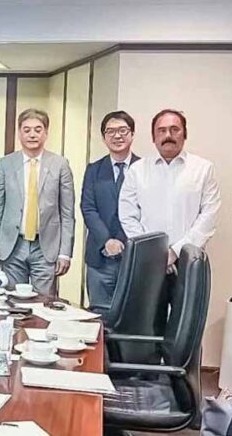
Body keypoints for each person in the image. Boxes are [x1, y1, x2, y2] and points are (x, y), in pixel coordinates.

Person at [119, 109, 220, 331]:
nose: (168, 135)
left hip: (189, 262)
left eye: (175, 129)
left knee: (186, 330)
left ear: (185, 134)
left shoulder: (203, 169)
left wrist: (174, 252)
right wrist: (154, 253)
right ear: (153, 136)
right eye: (162, 130)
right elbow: (127, 215)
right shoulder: (137, 170)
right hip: (148, 264)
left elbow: (208, 216)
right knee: (148, 329)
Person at [0, 108, 75, 295]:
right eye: (26, 130)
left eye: (38, 129)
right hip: (12, 247)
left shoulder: (60, 164)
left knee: (44, 302)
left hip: (46, 247)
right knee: (12, 302)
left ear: (46, 133)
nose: (32, 135)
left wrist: (65, 253)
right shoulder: (5, 164)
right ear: (19, 133)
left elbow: (67, 213)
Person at [80, 111, 140, 312]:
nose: (117, 136)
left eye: (123, 130)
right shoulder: (94, 169)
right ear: (104, 137)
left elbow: (146, 210)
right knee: (99, 316)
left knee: (132, 315)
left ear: (132, 134)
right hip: (100, 257)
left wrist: (121, 240)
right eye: (111, 131)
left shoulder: (144, 169)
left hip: (133, 255)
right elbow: (88, 208)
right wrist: (107, 240)